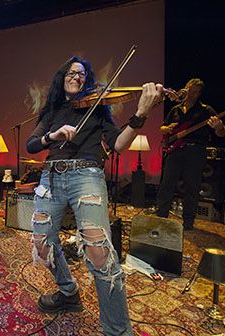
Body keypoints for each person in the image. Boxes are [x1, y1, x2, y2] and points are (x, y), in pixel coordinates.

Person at [26, 55, 164, 335]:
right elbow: (31, 144)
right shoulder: (51, 111)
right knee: (41, 242)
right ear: (62, 77)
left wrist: (141, 114)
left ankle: (117, 330)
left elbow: (119, 145)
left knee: (98, 251)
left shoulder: (99, 109)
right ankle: (68, 291)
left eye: (82, 75)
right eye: (72, 73)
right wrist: (53, 136)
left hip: (86, 174)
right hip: (51, 176)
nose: (77, 77)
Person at [156, 78, 225, 230]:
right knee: (167, 184)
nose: (193, 95)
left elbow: (222, 133)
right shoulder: (175, 109)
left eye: (196, 92)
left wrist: (219, 127)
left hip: (195, 151)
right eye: (191, 90)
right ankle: (161, 217)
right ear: (186, 88)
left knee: (192, 187)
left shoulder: (205, 110)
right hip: (174, 150)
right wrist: (167, 129)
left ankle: (188, 222)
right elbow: (162, 128)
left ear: (200, 94)